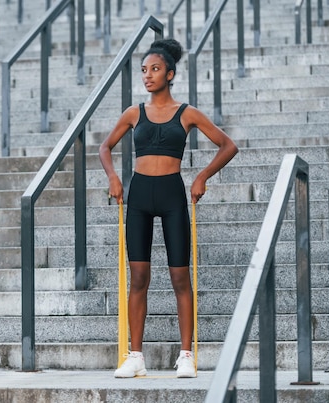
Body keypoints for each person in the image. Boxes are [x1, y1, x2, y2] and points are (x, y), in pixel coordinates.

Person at [99, 38, 238, 378]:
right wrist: (113, 177)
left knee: (179, 277)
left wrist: (202, 176)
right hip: (140, 196)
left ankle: (187, 356)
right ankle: (135, 356)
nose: (148, 75)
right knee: (139, 278)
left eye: (155, 69)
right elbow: (105, 146)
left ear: (170, 74)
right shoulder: (134, 113)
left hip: (173, 194)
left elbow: (227, 145)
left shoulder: (187, 113)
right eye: (144, 70)